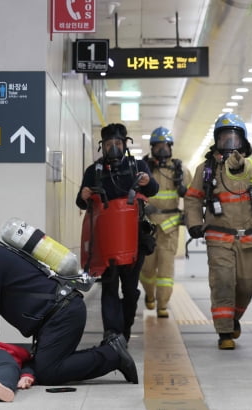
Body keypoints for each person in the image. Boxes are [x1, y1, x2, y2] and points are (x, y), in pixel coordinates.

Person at [0, 233, 139, 385]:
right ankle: (109, 352)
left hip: (62, 314)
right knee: (37, 368)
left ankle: (113, 354)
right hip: (59, 314)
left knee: (48, 372)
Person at [184, 113, 252, 350]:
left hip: (250, 238)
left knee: (248, 284)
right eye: (224, 137)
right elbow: (193, 199)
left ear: (243, 140)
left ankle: (233, 318)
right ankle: (224, 332)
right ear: (217, 140)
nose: (230, 143)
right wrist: (195, 223)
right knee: (223, 283)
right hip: (219, 237)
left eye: (234, 137)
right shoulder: (206, 169)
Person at [76, 123, 159, 342]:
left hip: (134, 238)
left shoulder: (137, 166)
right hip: (106, 241)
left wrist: (148, 181)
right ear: (102, 146)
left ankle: (126, 325)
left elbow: (153, 189)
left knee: (130, 289)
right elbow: (82, 203)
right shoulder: (93, 171)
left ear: (125, 145)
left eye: (118, 144)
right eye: (109, 144)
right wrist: (83, 195)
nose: (114, 148)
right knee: (110, 287)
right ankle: (112, 333)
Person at [139, 126, 192, 318]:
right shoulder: (143, 168)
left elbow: (192, 197)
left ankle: (163, 304)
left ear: (171, 147)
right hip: (148, 225)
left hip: (170, 227)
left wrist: (190, 218)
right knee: (146, 268)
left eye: (165, 145)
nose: (162, 149)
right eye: (158, 145)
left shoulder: (181, 171)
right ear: (152, 147)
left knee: (166, 268)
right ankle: (150, 294)